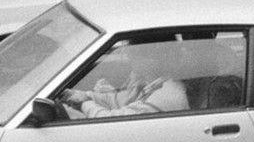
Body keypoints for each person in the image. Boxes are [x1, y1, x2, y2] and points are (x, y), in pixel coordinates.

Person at [60, 41, 190, 119]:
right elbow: (117, 100)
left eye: (134, 54)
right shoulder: (150, 82)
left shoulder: (167, 95)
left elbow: (111, 122)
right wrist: (78, 95)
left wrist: (84, 103)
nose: (129, 58)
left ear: (154, 58)